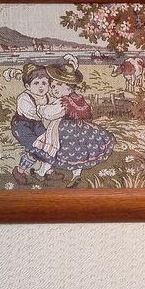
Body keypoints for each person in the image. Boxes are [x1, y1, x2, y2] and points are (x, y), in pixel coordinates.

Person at [30, 54, 115, 188]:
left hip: (62, 131)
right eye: (53, 86)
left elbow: (51, 113)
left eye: (59, 85)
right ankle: (75, 175)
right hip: (80, 129)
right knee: (78, 153)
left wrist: (40, 108)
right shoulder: (77, 98)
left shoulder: (63, 102)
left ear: (69, 87)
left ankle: (41, 172)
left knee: (51, 151)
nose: (54, 89)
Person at [4, 61, 63, 185]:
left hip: (37, 124)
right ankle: (19, 170)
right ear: (28, 86)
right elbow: (32, 113)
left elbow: (57, 103)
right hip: (21, 126)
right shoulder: (24, 98)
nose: (41, 87)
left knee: (49, 143)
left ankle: (48, 171)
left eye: (44, 83)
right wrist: (49, 112)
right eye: (36, 83)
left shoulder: (47, 96)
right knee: (34, 148)